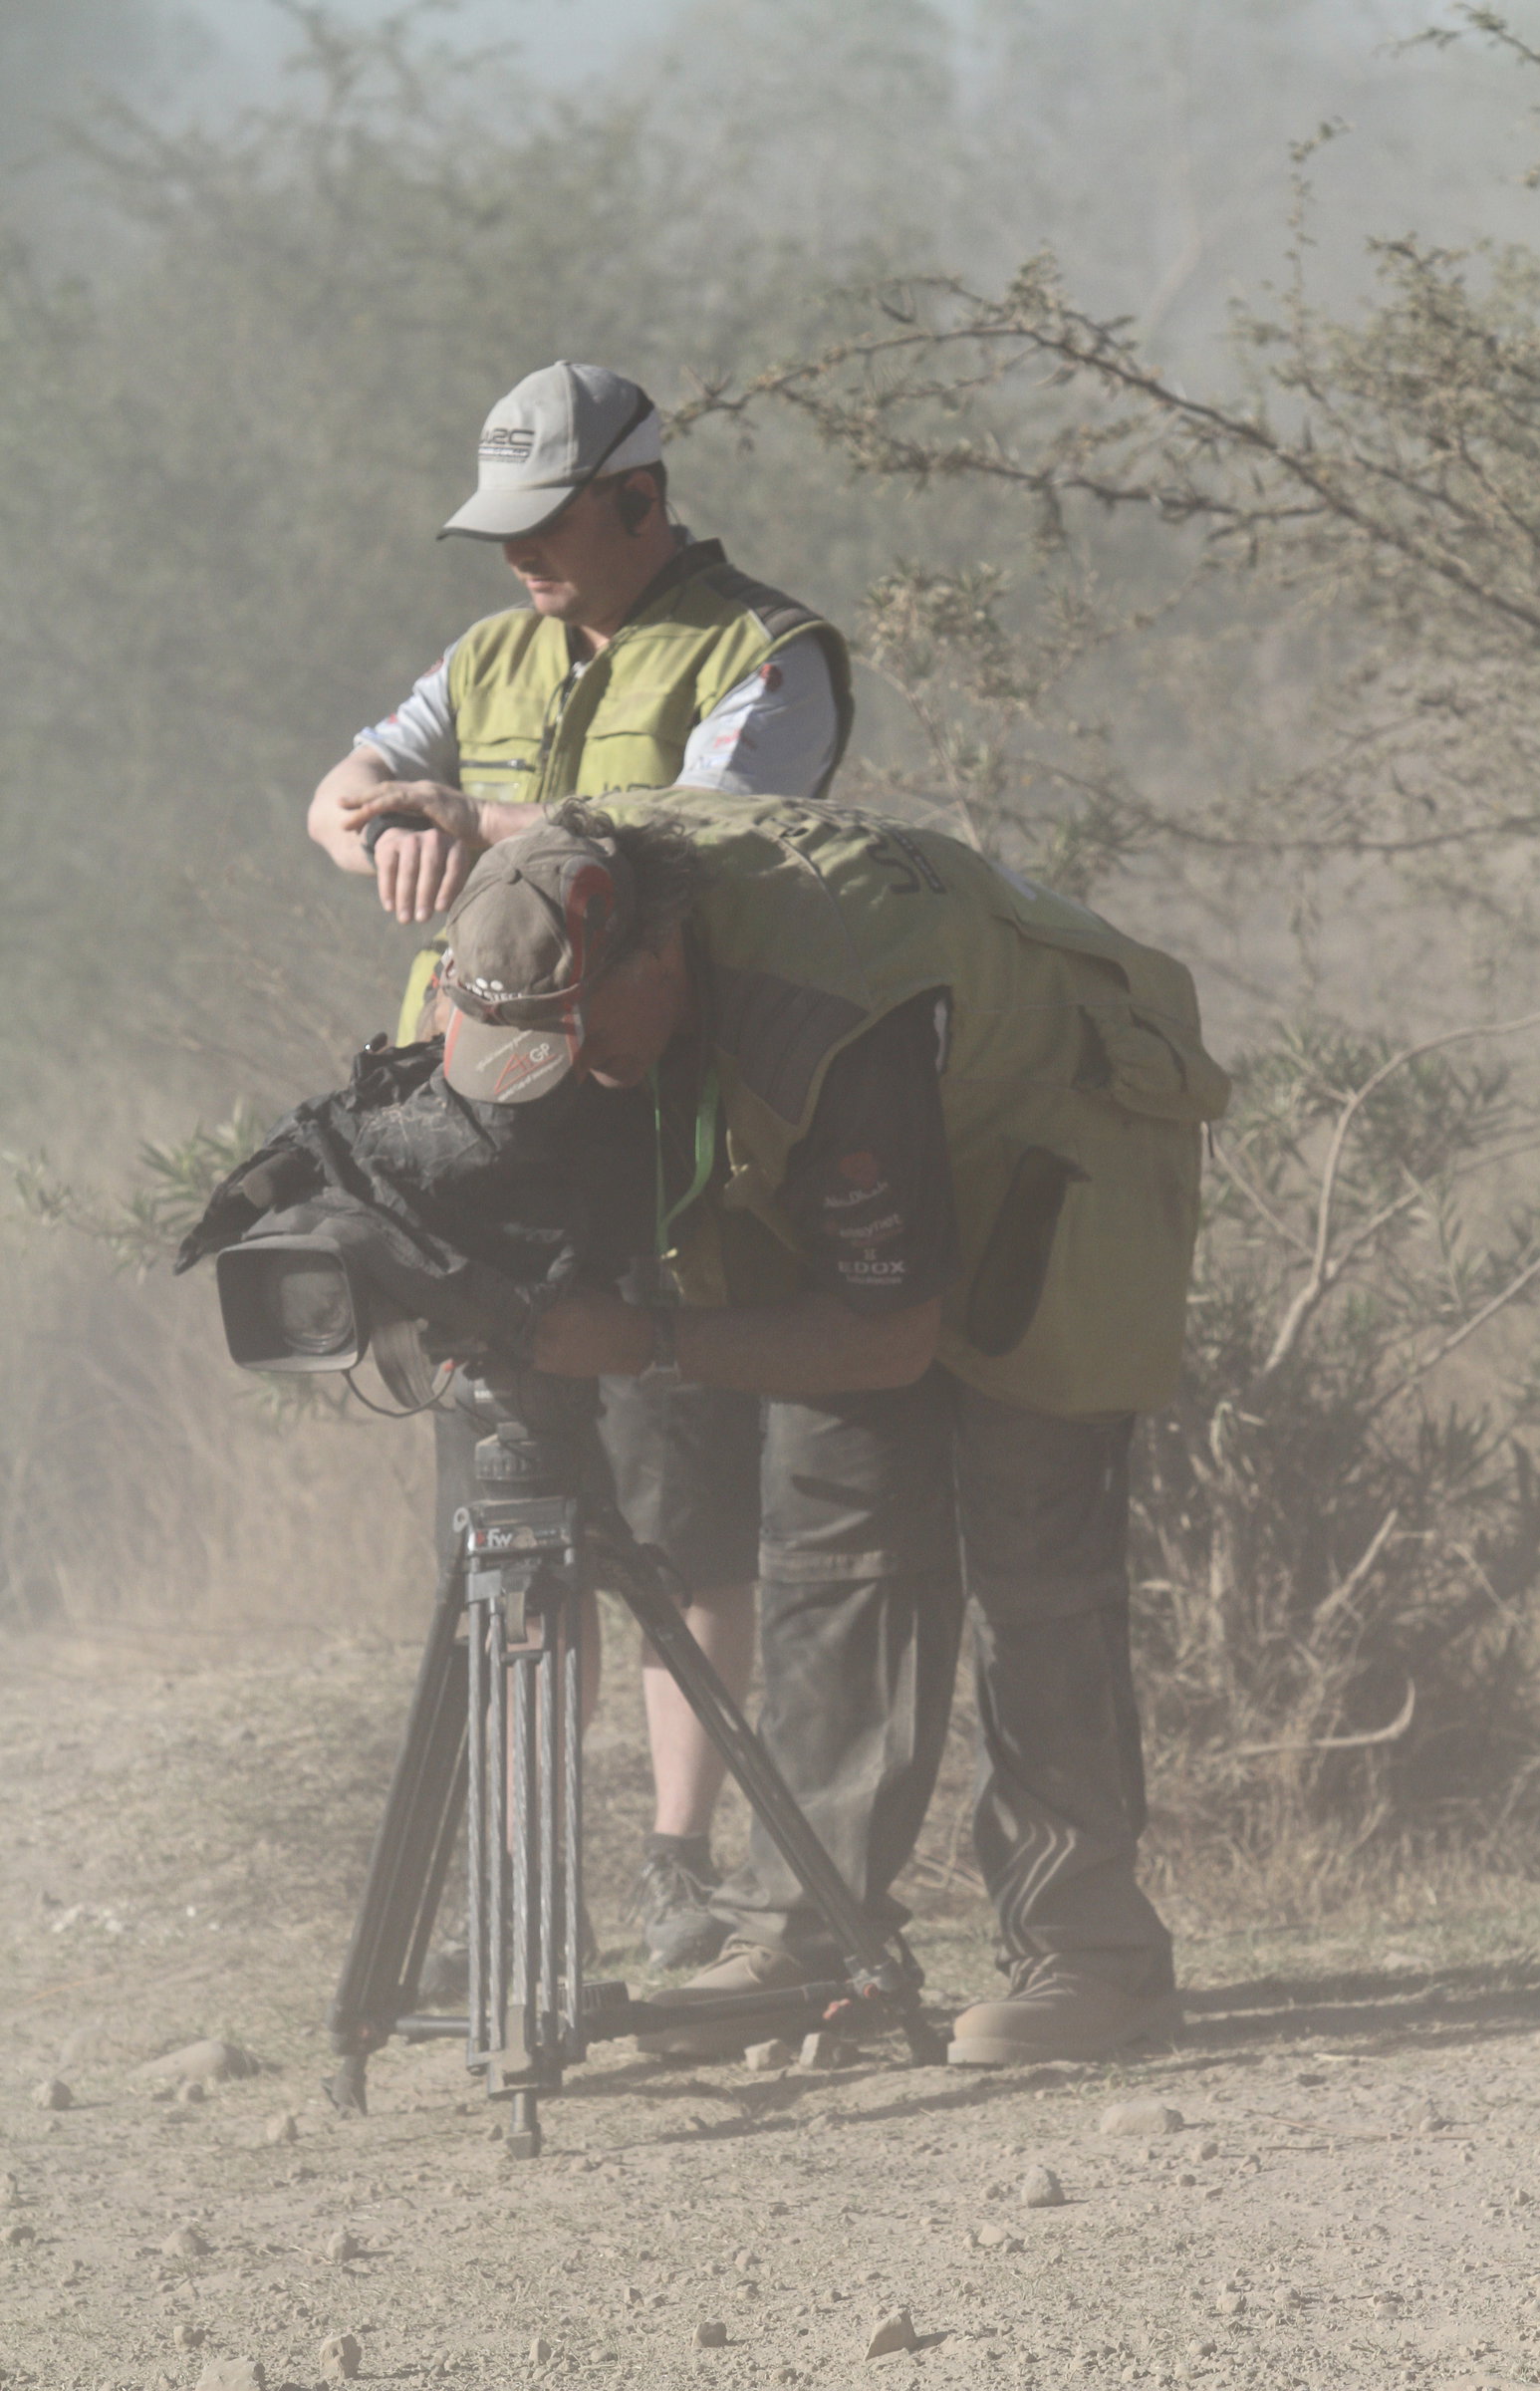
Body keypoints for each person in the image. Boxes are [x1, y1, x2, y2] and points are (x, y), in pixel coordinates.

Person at [344, 790, 1230, 2066]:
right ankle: (809, 1943)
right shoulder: (556, 916)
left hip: (1055, 1129)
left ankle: (1091, 1960)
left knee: (1034, 1553)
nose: (567, 1074)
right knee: (830, 1539)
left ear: (658, 955)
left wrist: (640, 1341)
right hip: (856, 1144)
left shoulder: (823, 1017)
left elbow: (886, 1337)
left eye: (581, 1039)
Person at [306, 361, 853, 1969]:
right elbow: (338, 796)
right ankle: (527, 1884)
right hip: (477, 1136)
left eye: (549, 521)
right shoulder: (485, 652)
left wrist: (464, 816)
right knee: (507, 1515)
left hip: (664, 1122)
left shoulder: (768, 648)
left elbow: (708, 832)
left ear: (640, 497)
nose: (521, 554)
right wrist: (391, 824)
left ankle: (679, 1868)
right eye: (505, 527)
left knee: (686, 1509)